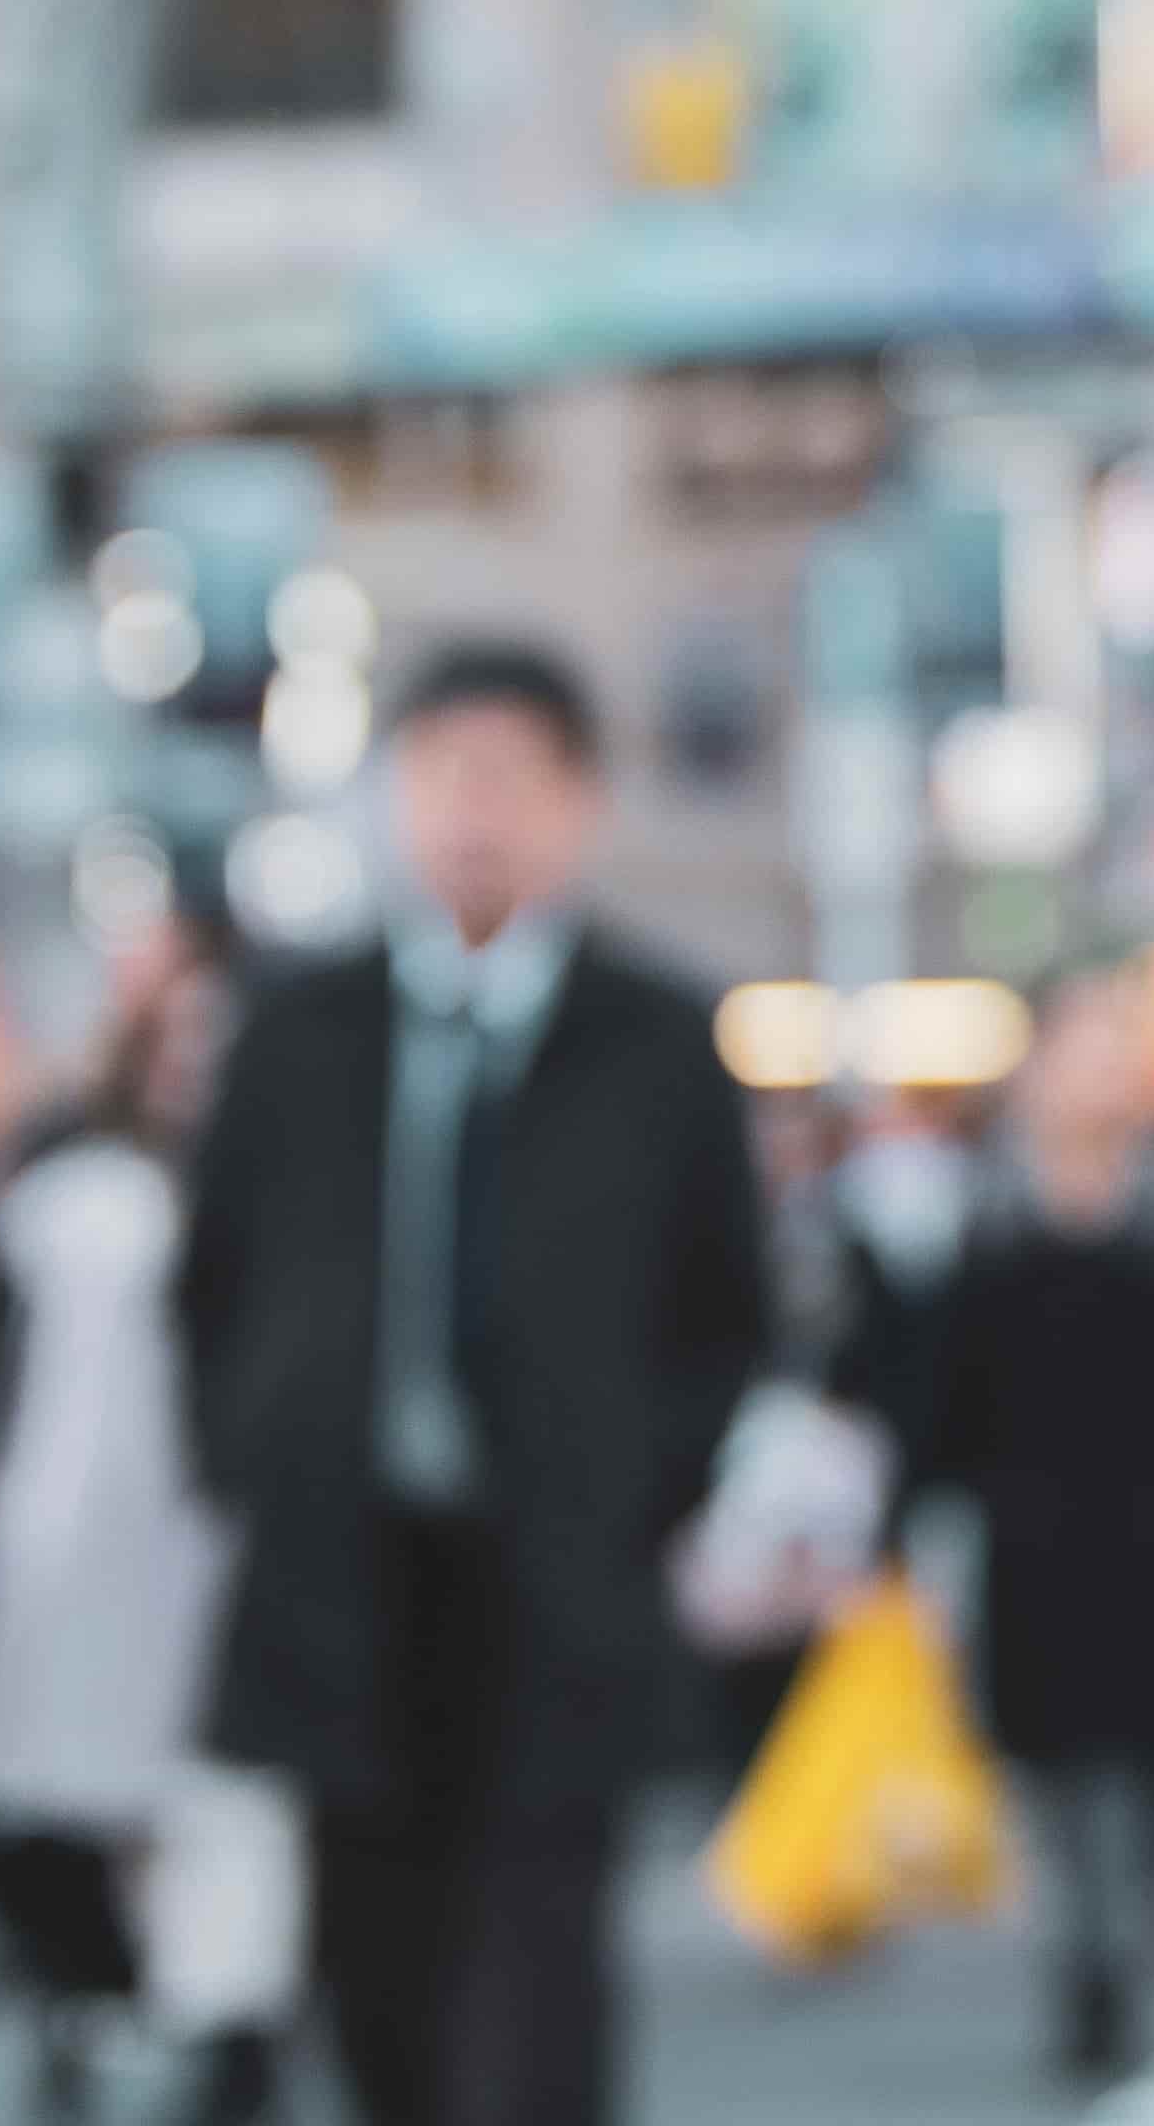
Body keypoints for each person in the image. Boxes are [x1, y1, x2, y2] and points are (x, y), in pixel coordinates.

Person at [177, 639, 772, 2126]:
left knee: (541, 1973)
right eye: (446, 775)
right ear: (393, 797)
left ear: (580, 807)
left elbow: (727, 1311)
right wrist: (254, 1451)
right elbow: (213, 1283)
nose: (477, 814)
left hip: (558, 1572)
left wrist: (644, 1482)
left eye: (514, 779)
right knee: (372, 1968)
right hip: (345, 1563)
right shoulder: (302, 1030)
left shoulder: (657, 1040)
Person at [0, 933, 296, 2126]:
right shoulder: (74, 1176)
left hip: (223, 1544)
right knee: (46, 1795)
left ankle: (215, 2033)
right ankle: (98, 2008)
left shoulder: (278, 1188)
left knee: (223, 1810)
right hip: (74, 1528)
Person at [905, 961, 1154, 2079]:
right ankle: (1085, 1945)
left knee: (1133, 1756)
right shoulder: (983, 1207)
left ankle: (1110, 1955)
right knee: (1045, 1756)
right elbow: (938, 1389)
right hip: (1026, 1537)